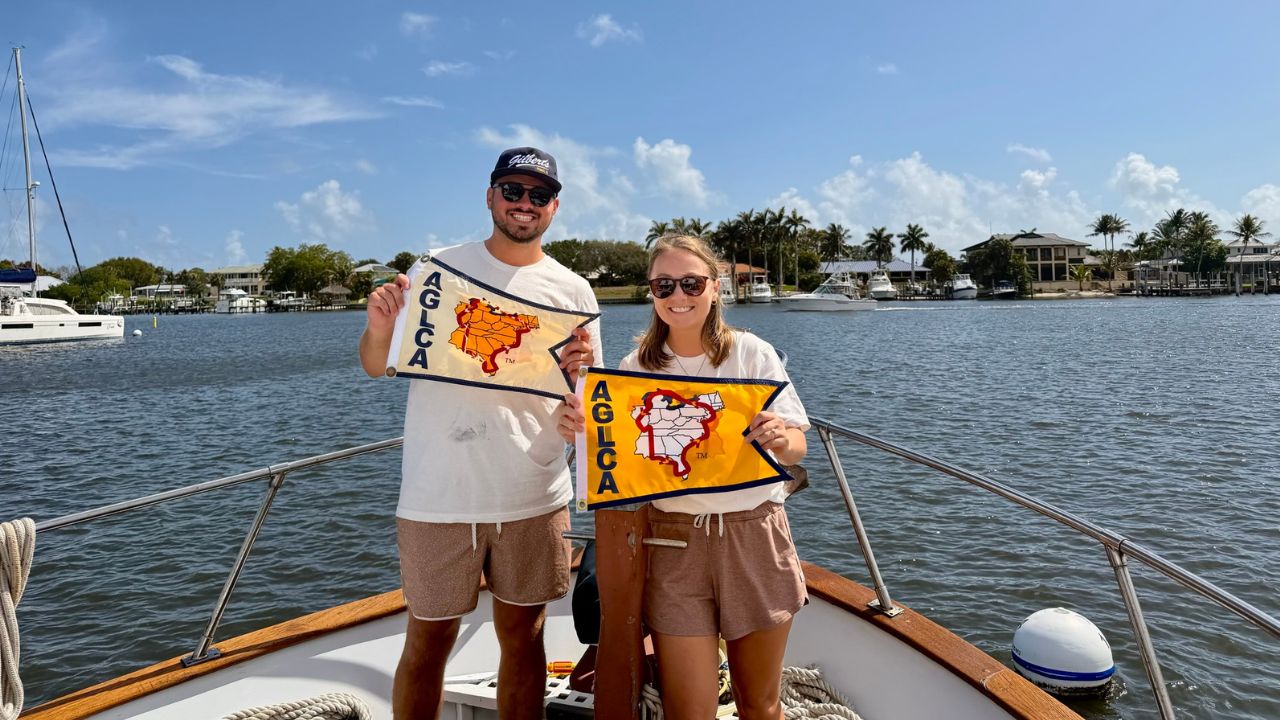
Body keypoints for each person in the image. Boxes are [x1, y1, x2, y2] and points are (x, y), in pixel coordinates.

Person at [360, 146, 601, 720]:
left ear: (554, 207)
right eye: (513, 191)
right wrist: (379, 326)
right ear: (490, 196)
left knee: (525, 638)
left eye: (538, 195)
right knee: (428, 641)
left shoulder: (574, 293)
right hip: (437, 494)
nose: (524, 204)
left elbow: (588, 402)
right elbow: (377, 364)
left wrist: (581, 404)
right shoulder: (436, 268)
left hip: (534, 492)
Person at [557, 234, 809, 720]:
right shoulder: (635, 367)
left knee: (761, 705)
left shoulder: (751, 353)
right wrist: (575, 430)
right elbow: (614, 451)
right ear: (651, 293)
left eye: (691, 283)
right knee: (688, 710)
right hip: (675, 546)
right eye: (663, 285)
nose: (678, 296)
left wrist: (780, 435)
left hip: (753, 536)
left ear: (715, 287)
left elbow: (797, 444)